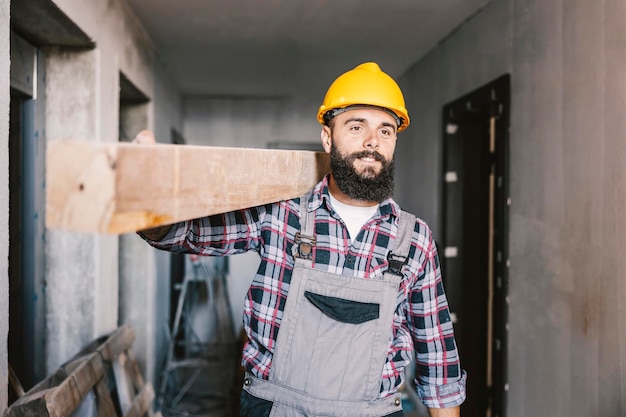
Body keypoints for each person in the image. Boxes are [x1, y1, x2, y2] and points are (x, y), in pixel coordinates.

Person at [139, 62, 466, 417]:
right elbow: (182, 234)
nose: (373, 141)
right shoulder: (281, 214)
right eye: (357, 127)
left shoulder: (413, 238)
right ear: (328, 136)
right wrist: (146, 191)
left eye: (385, 131)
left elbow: (438, 360)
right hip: (276, 407)